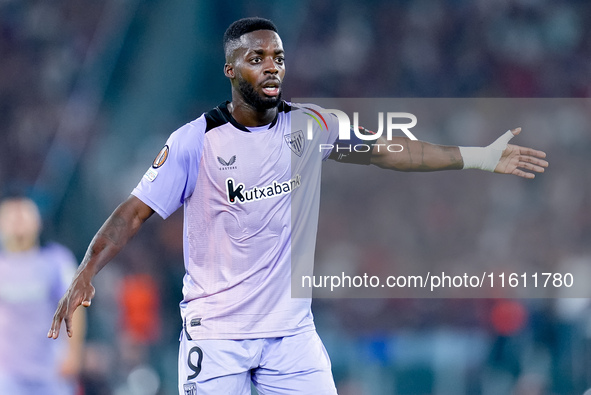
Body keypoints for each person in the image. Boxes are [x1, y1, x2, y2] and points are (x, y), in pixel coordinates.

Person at [48, 17, 548, 394]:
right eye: (257, 57)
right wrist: (86, 271)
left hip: (291, 336)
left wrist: (477, 156)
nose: (272, 66)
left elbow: (392, 151)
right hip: (217, 336)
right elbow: (133, 212)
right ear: (230, 68)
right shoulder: (193, 142)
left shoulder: (312, 126)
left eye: (278, 58)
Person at [0, 196, 85, 395]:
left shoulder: (57, 261)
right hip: (7, 374)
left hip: (51, 370)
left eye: (24, 214)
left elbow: (75, 305)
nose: (18, 220)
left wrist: (73, 353)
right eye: (11, 215)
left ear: (38, 221)